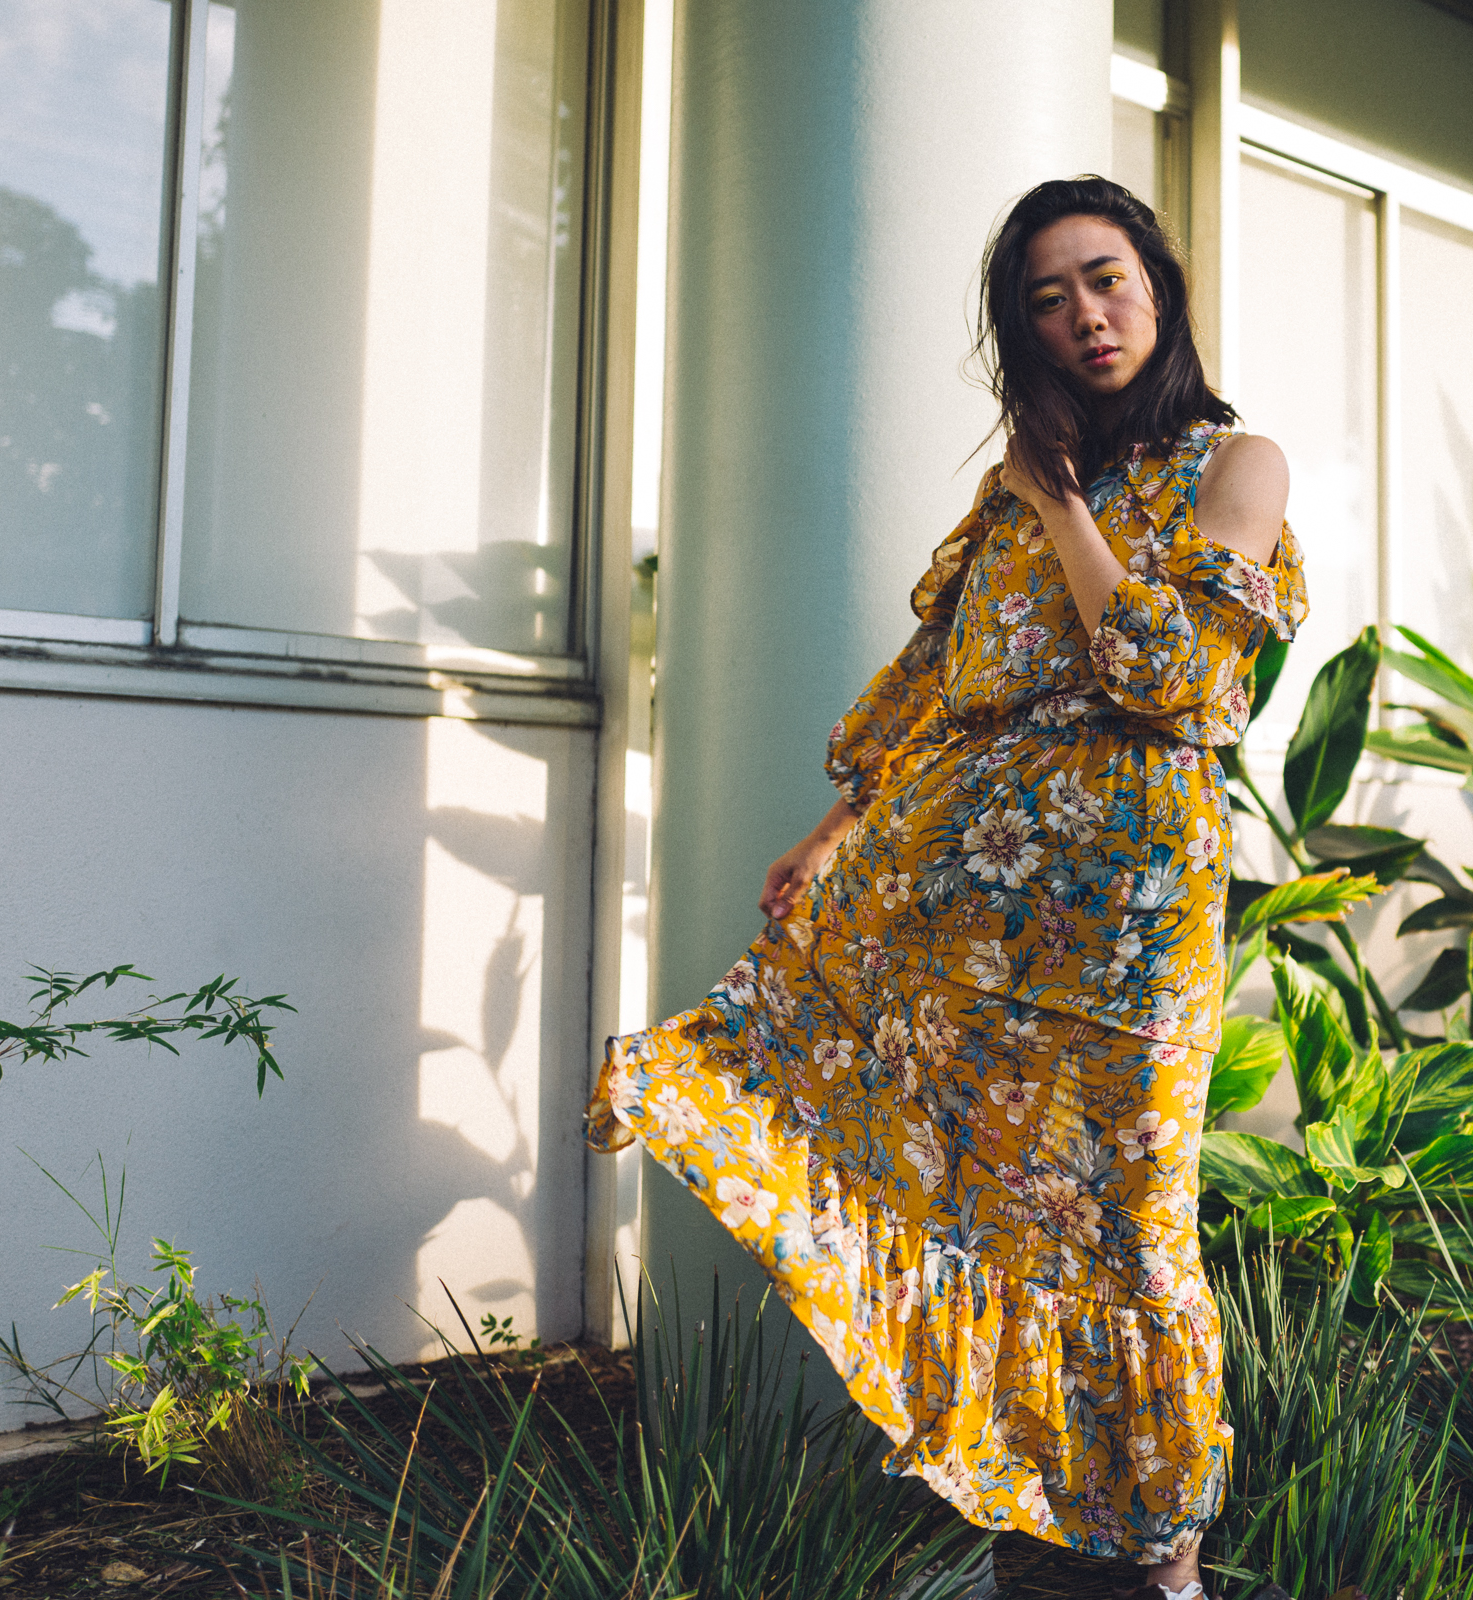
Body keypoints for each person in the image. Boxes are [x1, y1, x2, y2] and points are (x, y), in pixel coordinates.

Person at [587, 174, 1303, 1597]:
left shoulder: (1236, 467)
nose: (1085, 315)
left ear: (1158, 286)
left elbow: (1174, 676)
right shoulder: (1009, 498)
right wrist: (835, 827)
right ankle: (1038, 1526)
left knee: (1132, 1224)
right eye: (1048, 297)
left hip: (1126, 925)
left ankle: (1166, 1559)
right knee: (989, 1213)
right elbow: (937, 683)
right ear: (1023, 330)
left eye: (1106, 278)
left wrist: (1066, 507)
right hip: (961, 912)